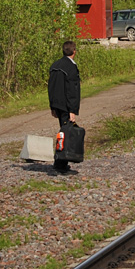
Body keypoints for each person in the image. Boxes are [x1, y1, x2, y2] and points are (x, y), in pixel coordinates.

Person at [47, 40, 81, 174]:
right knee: (65, 133)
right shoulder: (71, 68)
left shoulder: (55, 65)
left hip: (57, 103)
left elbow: (51, 87)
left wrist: (52, 106)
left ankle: (61, 161)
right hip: (66, 105)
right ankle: (60, 162)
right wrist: (73, 110)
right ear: (74, 52)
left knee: (63, 131)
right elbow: (72, 90)